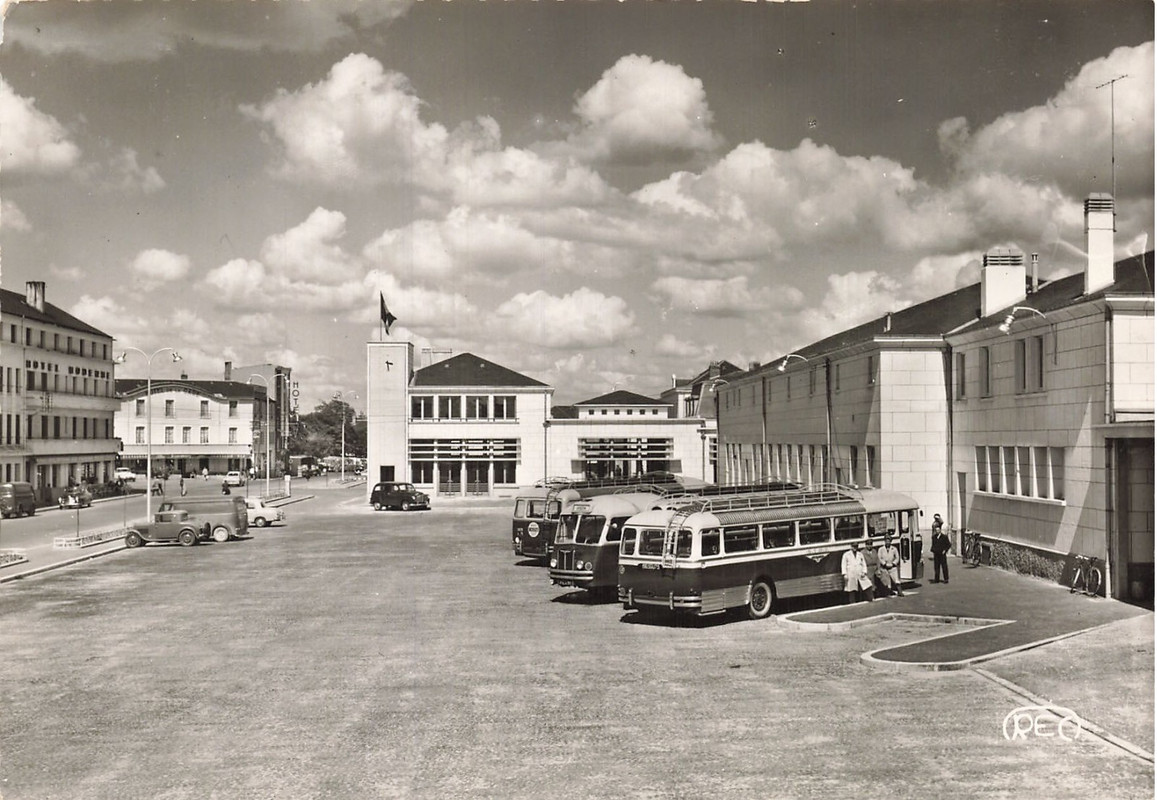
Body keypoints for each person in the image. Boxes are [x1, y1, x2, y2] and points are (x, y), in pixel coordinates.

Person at [931, 513, 950, 584]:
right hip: (936, 553)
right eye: (936, 530)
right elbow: (933, 544)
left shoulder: (944, 537)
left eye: (938, 530)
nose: (937, 531)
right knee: (936, 566)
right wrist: (933, 550)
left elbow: (948, 544)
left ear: (940, 530)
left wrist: (945, 550)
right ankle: (936, 579)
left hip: (942, 553)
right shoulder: (934, 537)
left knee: (944, 566)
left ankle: (946, 579)